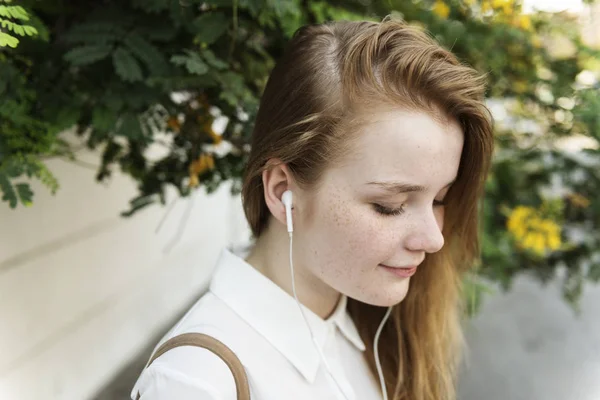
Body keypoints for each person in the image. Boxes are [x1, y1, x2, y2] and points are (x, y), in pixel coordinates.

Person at [131, 17, 494, 400]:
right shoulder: (195, 382)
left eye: (439, 199)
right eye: (390, 205)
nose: (434, 238)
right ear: (283, 191)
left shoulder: (375, 328)